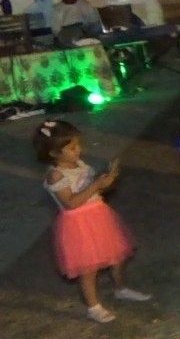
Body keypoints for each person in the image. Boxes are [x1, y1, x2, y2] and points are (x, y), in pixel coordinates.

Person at [33, 119, 150, 323]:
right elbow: (71, 202)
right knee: (88, 268)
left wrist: (106, 182)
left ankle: (120, 288)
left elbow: (94, 191)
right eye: (72, 148)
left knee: (116, 256)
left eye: (78, 145)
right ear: (54, 153)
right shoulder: (56, 176)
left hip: (99, 216)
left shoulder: (79, 164)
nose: (79, 150)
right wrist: (96, 185)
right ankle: (93, 306)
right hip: (78, 224)